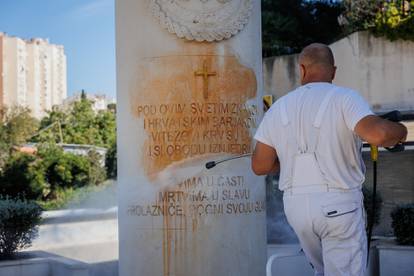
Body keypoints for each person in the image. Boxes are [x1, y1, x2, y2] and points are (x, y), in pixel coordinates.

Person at [252, 43, 407, 276]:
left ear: (302, 69)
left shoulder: (278, 107)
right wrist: (401, 131)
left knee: (323, 271)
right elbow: (380, 135)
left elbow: (260, 165)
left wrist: (290, 163)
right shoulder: (344, 98)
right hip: (338, 205)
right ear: (333, 71)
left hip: (296, 209)